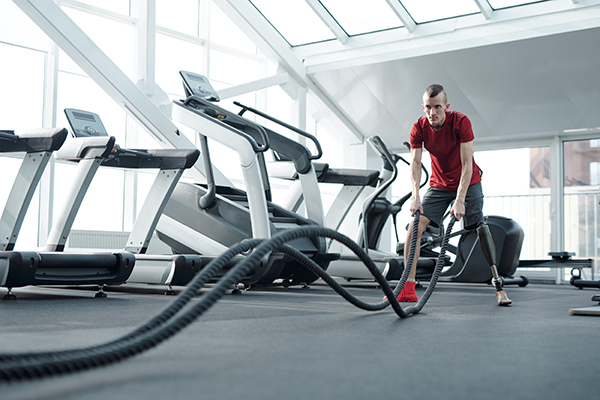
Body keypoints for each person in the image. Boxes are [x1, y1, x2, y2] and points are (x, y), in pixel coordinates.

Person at [395, 83, 484, 302]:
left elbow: (466, 164)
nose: (432, 112)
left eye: (437, 107)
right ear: (423, 107)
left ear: (446, 106)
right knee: (416, 225)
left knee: (478, 228)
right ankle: (407, 288)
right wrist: (415, 196)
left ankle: (496, 279)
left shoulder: (461, 123)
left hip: (469, 181)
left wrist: (460, 200)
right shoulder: (419, 127)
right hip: (439, 184)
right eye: (428, 107)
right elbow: (415, 163)